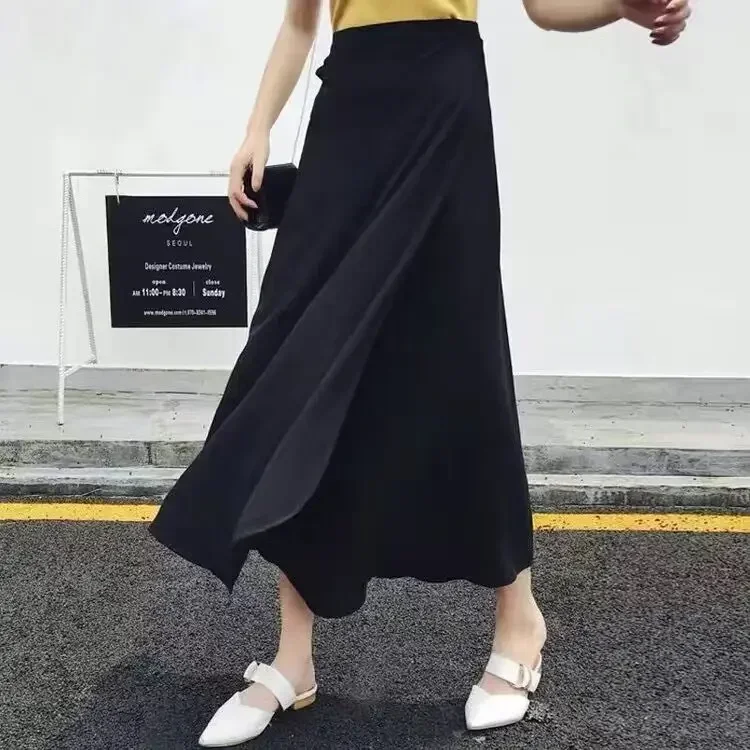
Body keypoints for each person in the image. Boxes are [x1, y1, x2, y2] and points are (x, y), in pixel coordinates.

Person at [148, 0, 692, 745]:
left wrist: (623, 7)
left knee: (461, 355)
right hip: (350, 108)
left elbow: (544, 7)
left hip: (444, 104)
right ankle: (293, 658)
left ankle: (520, 618)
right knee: (301, 357)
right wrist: (257, 127)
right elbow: (302, 21)